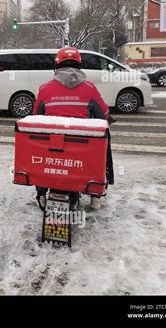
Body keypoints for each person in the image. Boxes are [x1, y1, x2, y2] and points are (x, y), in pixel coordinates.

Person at [33, 47, 114, 210]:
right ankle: (96, 196)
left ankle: (41, 194)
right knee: (103, 140)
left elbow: (36, 116)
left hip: (53, 146)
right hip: (81, 145)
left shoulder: (45, 89)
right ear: (79, 65)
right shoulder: (89, 88)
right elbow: (104, 114)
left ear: (56, 66)